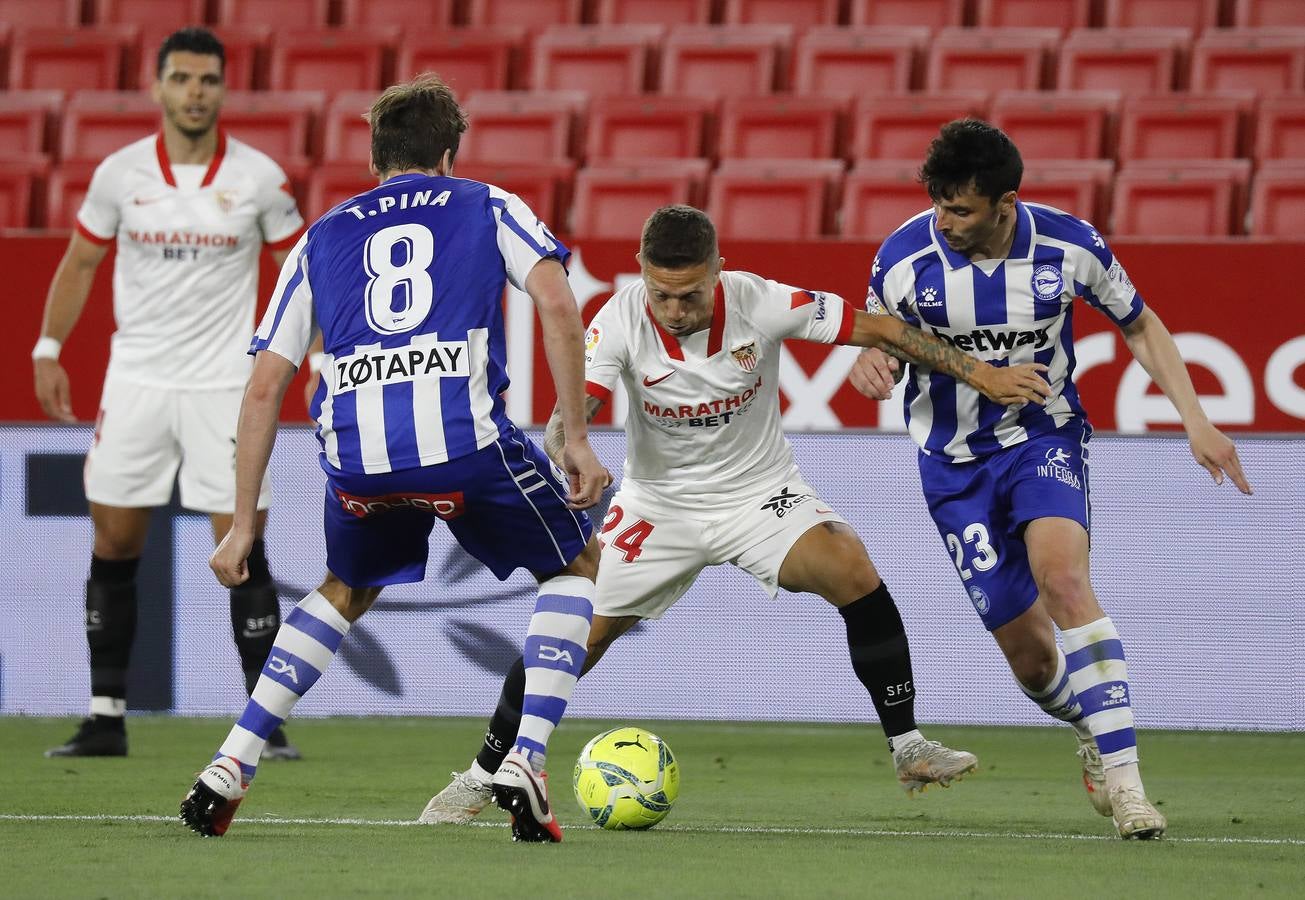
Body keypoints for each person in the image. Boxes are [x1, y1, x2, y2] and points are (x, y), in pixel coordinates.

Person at [419, 204, 1053, 825]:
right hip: (656, 506)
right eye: (661, 294)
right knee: (574, 635)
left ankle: (909, 746)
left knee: (852, 567)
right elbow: (566, 423)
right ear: (640, 269)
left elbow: (882, 330)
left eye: (690, 294)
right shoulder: (616, 322)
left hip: (759, 494)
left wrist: (983, 374)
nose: (675, 309)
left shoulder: (761, 301)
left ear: (718, 269)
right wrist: (569, 456)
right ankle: (481, 775)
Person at [179, 73, 609, 845]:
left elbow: (262, 389)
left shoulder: (321, 235)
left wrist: (242, 525)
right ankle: (528, 759)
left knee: (346, 586)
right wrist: (574, 435)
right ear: (448, 153)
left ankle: (232, 761)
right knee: (576, 567)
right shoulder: (485, 202)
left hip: (356, 457)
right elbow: (555, 303)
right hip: (463, 442)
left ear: (377, 158)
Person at [848, 119, 1252, 840]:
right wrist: (867, 362)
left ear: (1006, 203)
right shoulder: (904, 256)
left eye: (960, 210)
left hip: (1042, 437)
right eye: (938, 204)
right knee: (1032, 663)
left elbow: (1139, 324)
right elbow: (880, 333)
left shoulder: (1069, 246)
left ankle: (1129, 791)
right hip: (950, 468)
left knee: (1063, 579)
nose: (944, 221)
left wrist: (1195, 419)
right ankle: (1087, 724)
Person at [32, 28, 306, 761]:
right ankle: (105, 717)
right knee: (114, 542)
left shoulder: (260, 179)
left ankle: (264, 719)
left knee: (242, 544)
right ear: (157, 87)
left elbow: (300, 271)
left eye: (208, 80)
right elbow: (81, 261)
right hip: (138, 382)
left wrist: (317, 357)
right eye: (182, 78)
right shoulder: (120, 174)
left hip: (226, 384)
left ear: (223, 89)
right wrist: (48, 348)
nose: (195, 92)